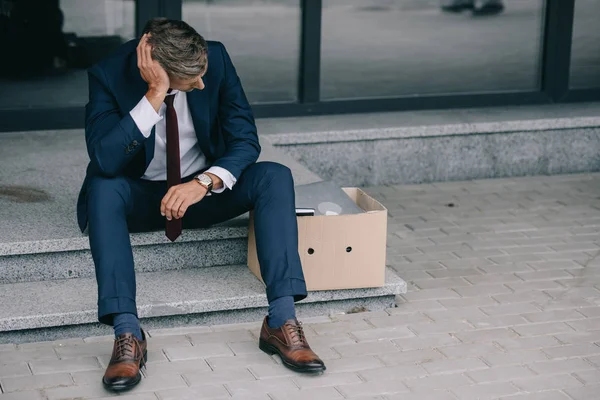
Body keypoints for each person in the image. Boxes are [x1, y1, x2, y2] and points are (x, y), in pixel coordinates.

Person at [78, 18, 325, 392]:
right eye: (189, 79)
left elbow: (245, 139)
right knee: (101, 188)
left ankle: (281, 320)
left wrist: (203, 182)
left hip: (203, 192)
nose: (202, 84)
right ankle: (128, 333)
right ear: (157, 70)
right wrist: (154, 95)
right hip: (141, 196)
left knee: (274, 175)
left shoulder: (217, 59)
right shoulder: (108, 74)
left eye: (202, 71)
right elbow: (106, 159)